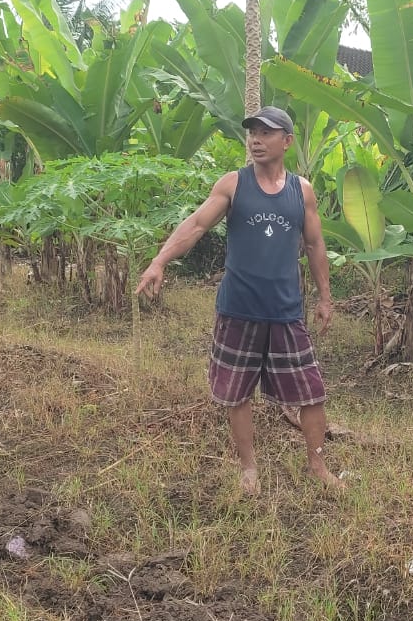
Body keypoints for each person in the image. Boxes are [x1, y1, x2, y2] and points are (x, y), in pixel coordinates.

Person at [136, 105, 342, 497]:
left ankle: (318, 465)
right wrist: (159, 261)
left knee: (311, 392)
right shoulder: (233, 184)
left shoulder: (303, 191)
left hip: (285, 312)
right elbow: (196, 225)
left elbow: (315, 245)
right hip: (238, 309)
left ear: (287, 140)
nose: (256, 140)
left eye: (266, 133)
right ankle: (249, 468)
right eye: (252, 133)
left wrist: (325, 297)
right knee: (237, 392)